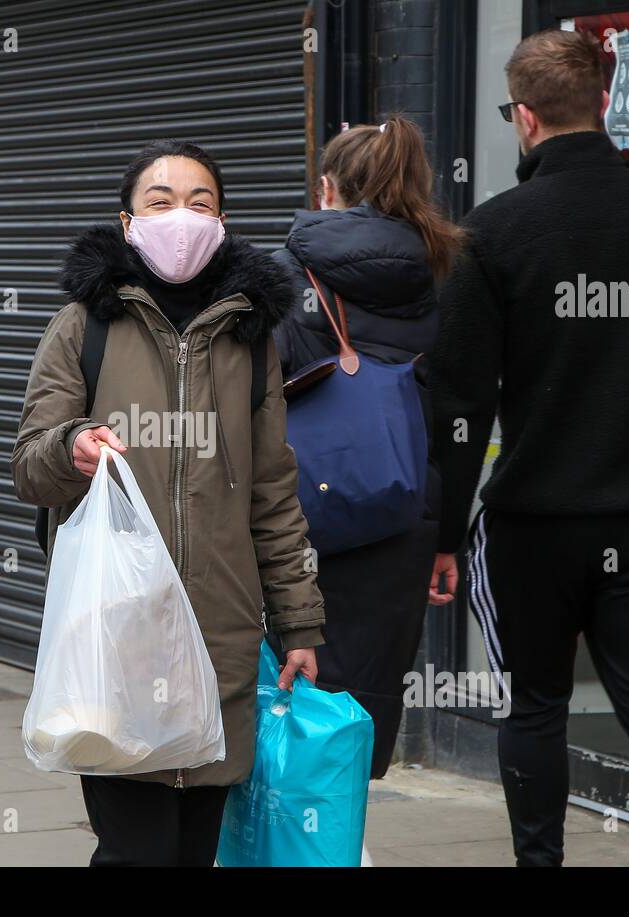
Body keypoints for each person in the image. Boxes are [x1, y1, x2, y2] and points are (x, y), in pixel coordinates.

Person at [427, 29, 629, 867]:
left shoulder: (493, 232)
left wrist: (440, 533)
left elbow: (462, 404)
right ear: (605, 105)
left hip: (536, 523)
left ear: (526, 118)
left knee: (533, 705)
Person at [11, 140, 325, 866]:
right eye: (160, 201)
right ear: (127, 222)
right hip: (117, 637)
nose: (180, 217)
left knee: (193, 850)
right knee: (135, 850)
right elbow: (30, 467)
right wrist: (73, 447)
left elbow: (274, 493)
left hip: (222, 637)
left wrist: (300, 620)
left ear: (223, 220)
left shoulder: (251, 339)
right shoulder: (82, 326)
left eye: (200, 202)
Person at [271, 115, 462, 777]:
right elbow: (455, 420)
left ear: (327, 187)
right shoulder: (443, 275)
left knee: (283, 718)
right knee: (354, 727)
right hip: (399, 521)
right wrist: (446, 538)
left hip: (293, 529)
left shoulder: (283, 272)